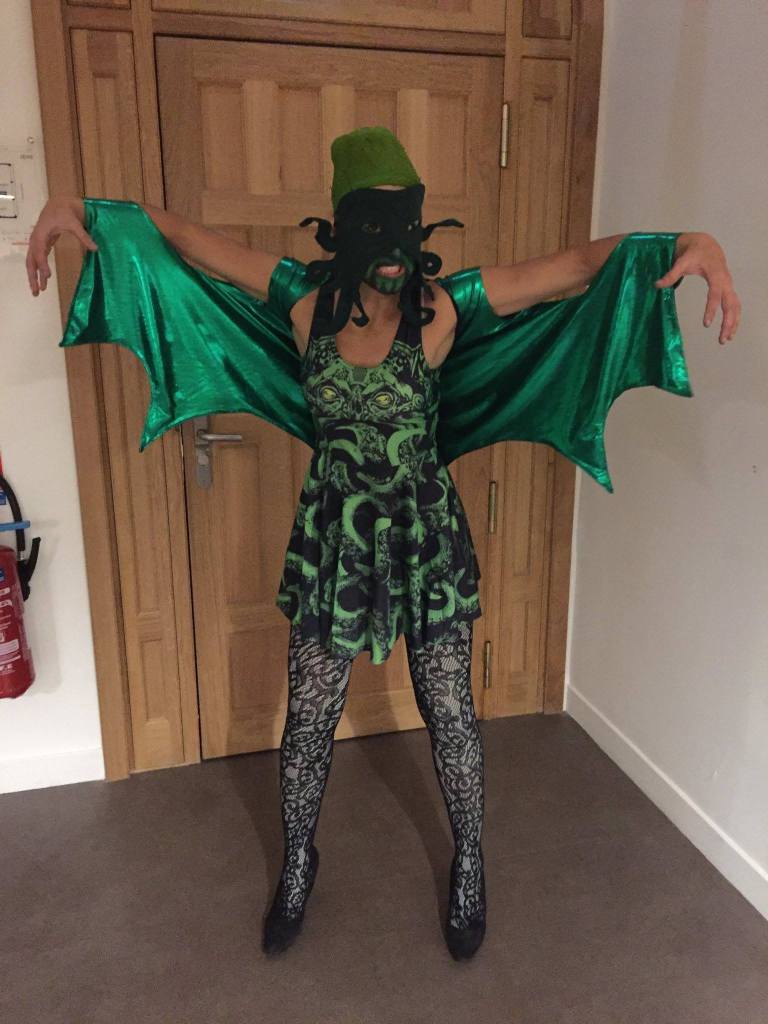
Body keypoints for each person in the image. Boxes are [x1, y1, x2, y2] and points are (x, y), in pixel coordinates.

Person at [27, 127, 740, 963]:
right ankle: (299, 861)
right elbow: (184, 237)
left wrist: (693, 242)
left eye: (409, 228)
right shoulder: (303, 300)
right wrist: (83, 211)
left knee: (450, 714)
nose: (397, 252)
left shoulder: (445, 307)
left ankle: (469, 863)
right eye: (377, 229)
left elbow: (580, 265)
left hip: (425, 541)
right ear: (342, 229)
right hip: (333, 541)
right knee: (309, 719)